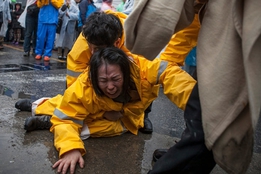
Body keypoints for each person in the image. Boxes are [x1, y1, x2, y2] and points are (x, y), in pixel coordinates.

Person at [124, 0, 261, 173]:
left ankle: (185, 154)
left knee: (207, 115)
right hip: (222, 35)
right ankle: (185, 149)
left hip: (237, 36)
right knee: (202, 113)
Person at [16, 45, 196, 173]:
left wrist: (201, 105)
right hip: (98, 108)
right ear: (94, 78)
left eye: (115, 79)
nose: (110, 86)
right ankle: (39, 106)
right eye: (103, 81)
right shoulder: (85, 84)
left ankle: (44, 116)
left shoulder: (143, 69)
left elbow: (171, 75)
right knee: (70, 106)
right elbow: (67, 116)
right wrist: (70, 148)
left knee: (107, 127)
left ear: (125, 72)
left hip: (124, 118)